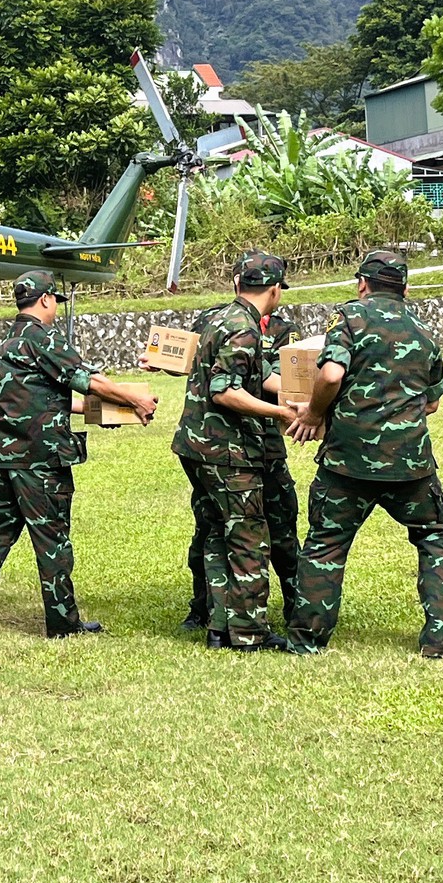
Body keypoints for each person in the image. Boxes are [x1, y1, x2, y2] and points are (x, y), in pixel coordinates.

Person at [0, 269, 158, 638]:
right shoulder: (43, 338)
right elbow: (88, 380)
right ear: (47, 299)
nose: (56, 310)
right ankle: (64, 625)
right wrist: (136, 400)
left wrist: (103, 413)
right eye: (55, 303)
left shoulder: (10, 342)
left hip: (5, 456)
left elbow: (37, 399)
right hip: (40, 460)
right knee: (52, 540)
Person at [284, 248, 443, 657]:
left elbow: (331, 373)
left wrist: (314, 413)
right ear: (404, 287)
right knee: (434, 538)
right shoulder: (423, 330)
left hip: (347, 462)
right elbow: (432, 402)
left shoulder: (349, 317)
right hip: (411, 465)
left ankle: (307, 640)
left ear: (362, 284)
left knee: (326, 544)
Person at [172, 249, 300, 651]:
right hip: (226, 451)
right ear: (275, 290)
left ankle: (218, 624)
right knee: (249, 536)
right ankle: (248, 633)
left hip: (196, 445)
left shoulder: (220, 318)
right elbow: (224, 391)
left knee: (216, 532)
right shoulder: (244, 328)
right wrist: (279, 411)